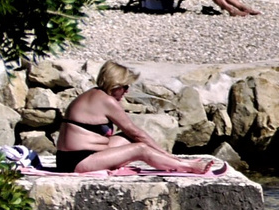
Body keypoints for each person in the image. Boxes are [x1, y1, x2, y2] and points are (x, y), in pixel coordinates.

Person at [54, 62, 217, 174]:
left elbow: (130, 134)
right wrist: (168, 154)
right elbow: (136, 133)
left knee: (126, 140)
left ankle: (168, 161)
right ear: (115, 85)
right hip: (76, 162)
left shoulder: (94, 94)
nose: (127, 91)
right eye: (124, 87)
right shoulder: (106, 101)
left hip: (73, 156)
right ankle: (187, 166)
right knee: (141, 148)